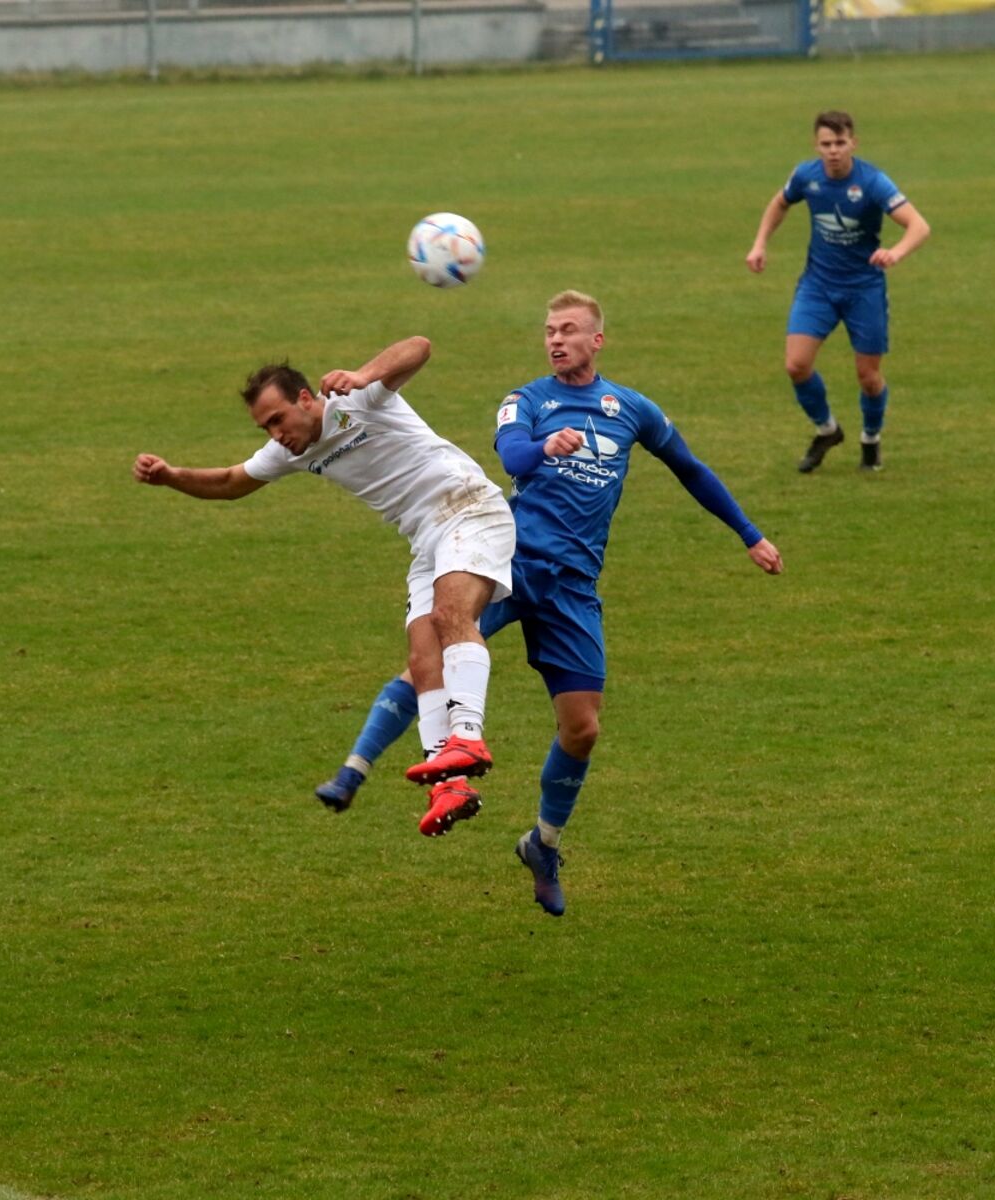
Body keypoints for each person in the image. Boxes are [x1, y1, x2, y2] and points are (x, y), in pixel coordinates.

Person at [314, 292, 783, 916]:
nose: (555, 340)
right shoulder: (528, 399)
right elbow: (511, 458)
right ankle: (355, 770)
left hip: (573, 587)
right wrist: (546, 449)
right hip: (507, 561)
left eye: (567, 330)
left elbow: (690, 468)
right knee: (431, 650)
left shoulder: (631, 410)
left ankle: (543, 843)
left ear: (597, 340)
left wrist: (749, 535)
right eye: (548, 331)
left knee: (583, 728)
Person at [133, 336, 515, 837]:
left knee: (450, 618)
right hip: (427, 540)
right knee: (423, 657)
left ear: (306, 399)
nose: (275, 433)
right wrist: (171, 477)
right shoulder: (288, 451)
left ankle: (466, 735)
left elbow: (419, 347)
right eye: (264, 426)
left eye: (277, 419)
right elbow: (230, 482)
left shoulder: (357, 399)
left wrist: (362, 374)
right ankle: (450, 782)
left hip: (468, 509)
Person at [745, 110, 931, 473]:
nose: (833, 151)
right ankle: (827, 430)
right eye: (826, 144)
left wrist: (895, 252)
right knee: (796, 365)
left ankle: (871, 439)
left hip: (864, 289)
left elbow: (919, 226)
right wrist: (760, 243)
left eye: (840, 143)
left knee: (868, 376)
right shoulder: (806, 176)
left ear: (853, 143)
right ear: (817, 145)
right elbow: (780, 202)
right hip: (818, 286)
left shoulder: (872, 182)